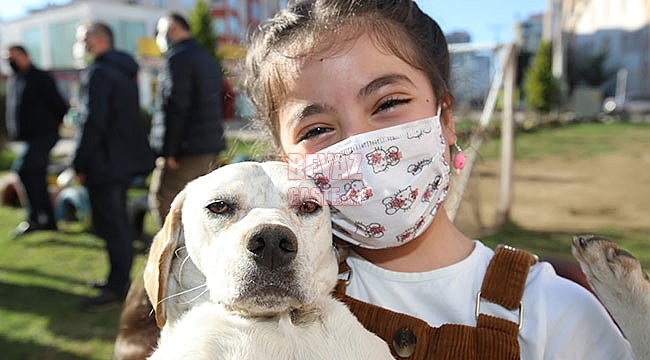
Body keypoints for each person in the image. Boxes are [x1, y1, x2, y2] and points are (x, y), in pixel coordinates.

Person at [243, 0, 636, 358]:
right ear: (284, 163)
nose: (360, 143)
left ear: (445, 120)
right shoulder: (271, 304)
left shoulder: (555, 313)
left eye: (389, 103)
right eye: (316, 130)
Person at [72, 22, 155, 311]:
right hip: (119, 162)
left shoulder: (99, 73)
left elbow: (92, 122)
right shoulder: (123, 72)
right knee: (117, 223)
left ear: (97, 40)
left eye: (83, 39)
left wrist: (79, 162)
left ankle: (117, 286)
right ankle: (116, 280)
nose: (80, 44)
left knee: (112, 224)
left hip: (104, 163)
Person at [148, 12, 227, 226]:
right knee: (205, 205)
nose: (159, 37)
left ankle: (175, 257)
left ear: (173, 28)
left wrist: (170, 150)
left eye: (161, 31)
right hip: (208, 146)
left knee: (165, 202)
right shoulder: (205, 57)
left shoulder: (179, 58)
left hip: (185, 151)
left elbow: (175, 105)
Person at [5, 45, 69, 238]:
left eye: (13, 57)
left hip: (43, 135)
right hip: (29, 138)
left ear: (24, 56)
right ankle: (47, 220)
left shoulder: (40, 77)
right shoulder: (16, 79)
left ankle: (35, 217)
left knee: (22, 170)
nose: (10, 61)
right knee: (36, 176)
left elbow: (60, 105)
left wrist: (51, 125)